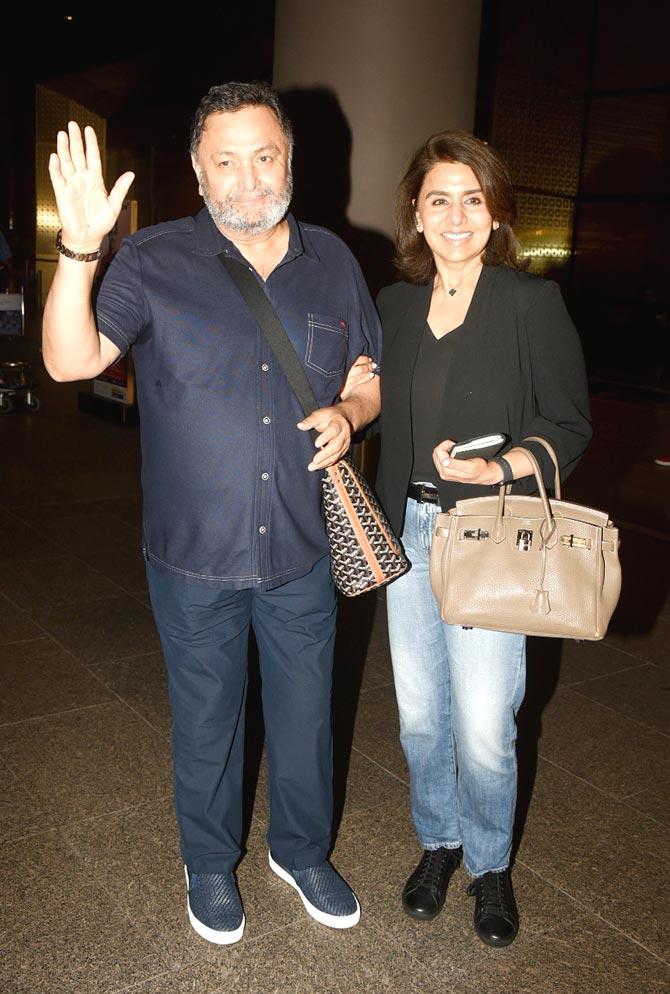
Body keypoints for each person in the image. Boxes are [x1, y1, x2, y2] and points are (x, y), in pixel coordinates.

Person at [42, 82, 381, 944]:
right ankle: (207, 863)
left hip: (304, 546)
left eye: (264, 156)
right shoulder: (151, 260)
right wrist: (80, 253)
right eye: (225, 160)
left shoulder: (335, 261)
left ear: (290, 159)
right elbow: (69, 361)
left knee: (308, 716)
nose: (248, 177)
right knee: (207, 719)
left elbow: (367, 376)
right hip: (193, 554)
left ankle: (302, 851)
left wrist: (350, 416)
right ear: (198, 171)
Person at [373, 131, 592, 946]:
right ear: (417, 215)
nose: (456, 215)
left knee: (484, 722)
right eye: (439, 200)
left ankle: (490, 865)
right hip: (409, 529)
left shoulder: (530, 303)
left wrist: (499, 467)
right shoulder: (394, 306)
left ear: (495, 211)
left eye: (472, 198)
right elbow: (366, 394)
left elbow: (568, 424)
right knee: (420, 714)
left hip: (492, 530)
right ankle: (440, 842)